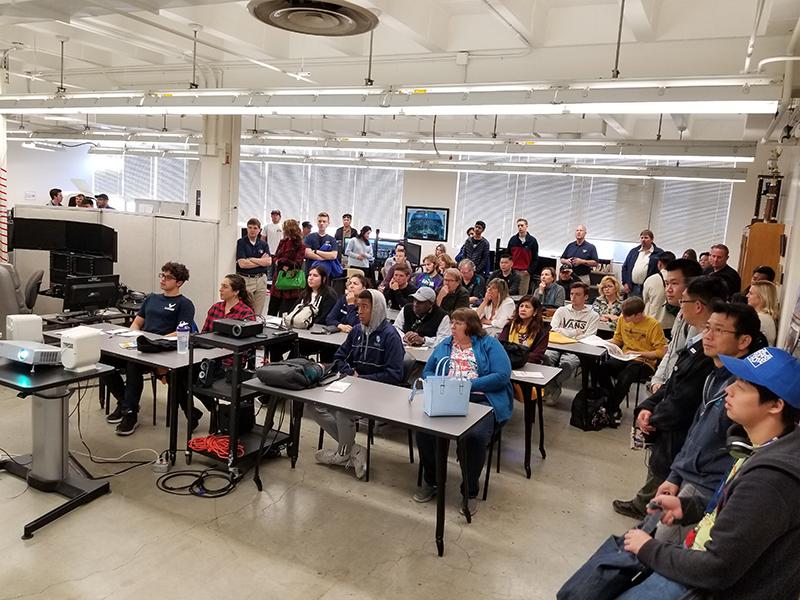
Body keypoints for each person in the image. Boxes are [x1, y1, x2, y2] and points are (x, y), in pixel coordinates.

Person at [619, 348, 800, 600]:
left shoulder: (771, 479)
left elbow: (717, 568)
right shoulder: (759, 448)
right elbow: (744, 516)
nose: (729, 390)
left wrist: (649, 548)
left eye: (743, 386)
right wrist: (689, 506)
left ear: (776, 405)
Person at [612, 277, 724, 520]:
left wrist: (655, 417)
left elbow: (685, 398)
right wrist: (647, 405)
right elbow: (674, 380)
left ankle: (649, 508)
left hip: (676, 427)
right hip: (664, 416)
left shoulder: (707, 350)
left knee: (662, 469)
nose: (678, 304)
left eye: (683, 300)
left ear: (698, 306)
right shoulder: (693, 338)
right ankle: (646, 503)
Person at [651, 303, 763, 545]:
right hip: (688, 478)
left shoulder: (747, 392)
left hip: (706, 489)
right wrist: (675, 476)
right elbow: (696, 435)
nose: (708, 336)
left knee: (661, 548)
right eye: (707, 328)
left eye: (719, 331)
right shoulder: (714, 375)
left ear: (743, 341)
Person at [413, 308, 513, 516]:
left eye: (458, 323)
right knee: (424, 431)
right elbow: (428, 370)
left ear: (470, 326)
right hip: (447, 398)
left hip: (482, 399)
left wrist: (467, 384)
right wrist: (440, 383)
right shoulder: (446, 344)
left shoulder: (489, 344)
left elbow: (502, 375)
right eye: (452, 323)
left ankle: (469, 491)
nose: (453, 327)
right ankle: (432, 481)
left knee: (474, 437)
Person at [311, 290, 404, 479]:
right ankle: (354, 450)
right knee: (314, 404)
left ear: (376, 308)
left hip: (379, 393)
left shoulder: (390, 336)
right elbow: (338, 357)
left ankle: (342, 454)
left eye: (365, 307)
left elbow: (395, 375)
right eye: (358, 306)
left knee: (341, 411)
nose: (359, 311)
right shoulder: (356, 331)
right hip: (353, 386)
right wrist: (349, 373)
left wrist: (362, 380)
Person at [102, 262, 195, 436]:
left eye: (168, 277)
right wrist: (134, 335)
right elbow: (137, 322)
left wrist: (156, 340)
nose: (163, 280)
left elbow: (182, 331)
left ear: (179, 282)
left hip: (162, 349)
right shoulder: (152, 298)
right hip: (142, 345)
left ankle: (130, 413)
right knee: (102, 359)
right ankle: (124, 401)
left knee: (133, 365)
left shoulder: (184, 304)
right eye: (162, 275)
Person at [598, 297, 668, 423]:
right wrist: (602, 343)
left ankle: (610, 408)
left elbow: (661, 352)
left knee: (626, 376)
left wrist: (638, 353)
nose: (624, 319)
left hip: (644, 362)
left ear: (639, 314)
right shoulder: (622, 318)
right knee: (602, 368)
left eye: (628, 317)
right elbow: (618, 339)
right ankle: (611, 402)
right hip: (625, 357)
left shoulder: (653, 325)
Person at [649, 259, 705, 393]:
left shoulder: (697, 321)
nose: (668, 289)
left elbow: (687, 366)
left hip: (678, 391)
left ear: (692, 285)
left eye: (674, 283)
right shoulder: (681, 312)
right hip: (666, 387)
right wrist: (657, 381)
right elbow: (671, 351)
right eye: (666, 283)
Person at [542, 282, 600, 404]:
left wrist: (564, 332)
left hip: (578, 347)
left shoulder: (593, 315)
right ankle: (554, 388)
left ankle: (552, 386)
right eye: (572, 294)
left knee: (567, 364)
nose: (573, 297)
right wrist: (575, 332)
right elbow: (553, 329)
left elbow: (589, 336)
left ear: (585, 297)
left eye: (578, 294)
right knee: (547, 357)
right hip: (557, 344)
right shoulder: (561, 310)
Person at [267, 219, 306, 317]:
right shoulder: (282, 242)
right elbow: (275, 256)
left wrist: (284, 262)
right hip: (278, 279)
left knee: (285, 313)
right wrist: (279, 262)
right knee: (272, 310)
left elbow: (298, 263)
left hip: (291, 282)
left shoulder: (300, 245)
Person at [236, 217, 272, 316]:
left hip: (261, 279)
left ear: (259, 230)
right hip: (246, 279)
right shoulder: (241, 242)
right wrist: (261, 261)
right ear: (247, 228)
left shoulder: (263, 244)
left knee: (258, 312)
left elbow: (268, 262)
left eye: (255, 228)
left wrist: (251, 259)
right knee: (246, 309)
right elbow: (242, 264)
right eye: (250, 227)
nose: (252, 230)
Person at [498, 295, 550, 364]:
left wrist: (519, 359)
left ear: (535, 312)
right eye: (521, 306)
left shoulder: (542, 330)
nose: (523, 309)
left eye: (527, 307)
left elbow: (537, 354)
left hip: (529, 364)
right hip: (507, 361)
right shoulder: (509, 325)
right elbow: (500, 346)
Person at [621, 230, 663, 298]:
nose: (643, 240)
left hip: (648, 288)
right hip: (632, 288)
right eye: (642, 238)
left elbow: (661, 270)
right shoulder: (634, 251)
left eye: (646, 238)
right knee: (631, 307)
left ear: (652, 239)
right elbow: (625, 267)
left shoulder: (659, 253)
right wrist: (625, 283)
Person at [642, 251, 677, 330]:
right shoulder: (679, 280)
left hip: (654, 322)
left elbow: (644, 300)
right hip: (672, 323)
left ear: (659, 264)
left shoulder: (651, 280)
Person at [507, 218, 538, 296]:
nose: (520, 227)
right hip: (513, 271)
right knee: (510, 293)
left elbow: (535, 258)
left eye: (522, 225)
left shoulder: (532, 241)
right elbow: (508, 255)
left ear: (526, 226)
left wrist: (529, 271)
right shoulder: (513, 240)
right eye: (518, 226)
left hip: (525, 272)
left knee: (522, 295)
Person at [746, 280, 778, 345]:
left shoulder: (761, 318)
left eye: (751, 293)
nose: (747, 296)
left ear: (762, 297)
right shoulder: (765, 317)